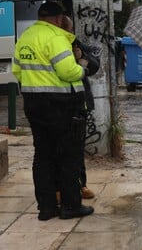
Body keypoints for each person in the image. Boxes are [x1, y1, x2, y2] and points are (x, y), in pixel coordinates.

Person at [12, 0, 94, 221]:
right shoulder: (56, 37)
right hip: (62, 105)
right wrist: (83, 68)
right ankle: (70, 206)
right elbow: (68, 71)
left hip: (33, 104)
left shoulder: (25, 38)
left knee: (43, 156)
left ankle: (46, 208)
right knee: (69, 156)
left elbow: (17, 71)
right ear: (58, 19)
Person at [60, 15, 99, 200]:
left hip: (80, 101)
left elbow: (95, 64)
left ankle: (80, 184)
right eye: (68, 27)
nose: (70, 31)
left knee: (77, 148)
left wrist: (81, 57)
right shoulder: (54, 44)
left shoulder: (74, 43)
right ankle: (61, 188)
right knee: (61, 148)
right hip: (60, 102)